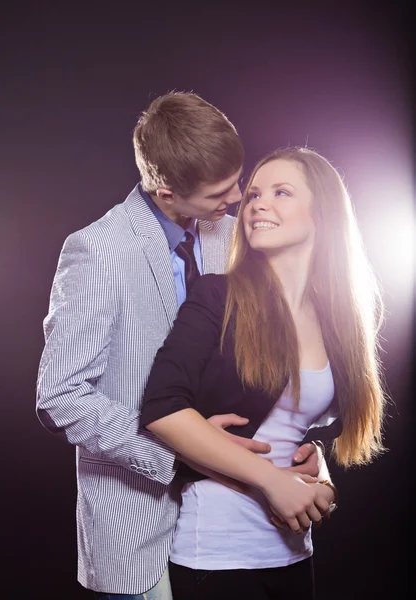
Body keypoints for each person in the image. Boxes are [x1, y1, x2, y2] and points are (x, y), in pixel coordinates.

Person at [36, 94, 324, 600]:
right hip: (137, 527)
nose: (239, 198)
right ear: (166, 192)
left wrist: (307, 452)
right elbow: (60, 395)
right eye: (221, 191)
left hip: (238, 524)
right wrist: (183, 450)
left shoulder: (234, 233)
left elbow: (286, 362)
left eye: (239, 181)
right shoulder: (100, 251)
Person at [140, 147, 387, 600]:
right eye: (253, 194)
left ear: (323, 213)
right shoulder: (217, 296)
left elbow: (309, 428)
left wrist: (321, 471)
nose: (256, 204)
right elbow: (162, 408)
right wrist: (272, 481)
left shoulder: (340, 321)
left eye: (281, 192)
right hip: (217, 557)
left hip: (294, 554)